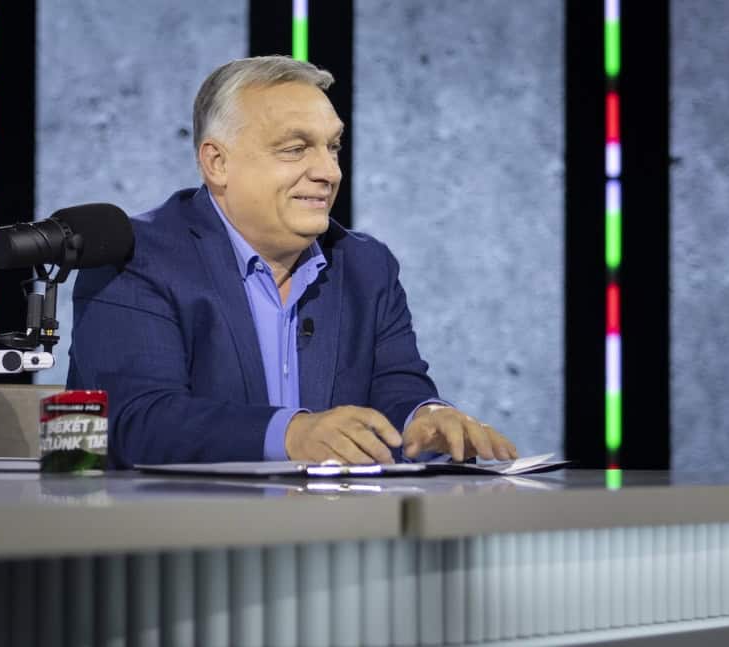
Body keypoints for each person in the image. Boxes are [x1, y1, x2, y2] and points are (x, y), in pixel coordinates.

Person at [67, 56, 518, 468]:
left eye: (333, 146)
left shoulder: (366, 266)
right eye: (295, 149)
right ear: (217, 163)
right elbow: (139, 421)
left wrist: (426, 417)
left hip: (335, 525)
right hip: (179, 526)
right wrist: (292, 434)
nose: (329, 172)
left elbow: (396, 388)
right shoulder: (138, 257)